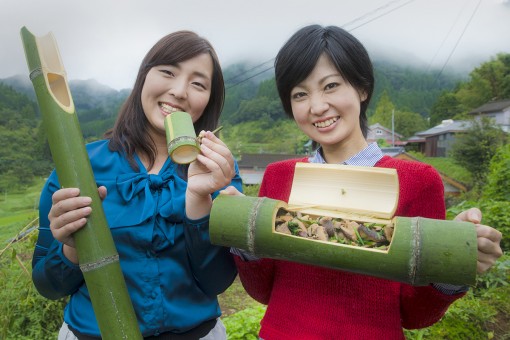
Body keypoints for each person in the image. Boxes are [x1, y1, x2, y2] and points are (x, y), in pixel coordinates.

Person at [229, 25, 503, 339]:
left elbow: (415, 314)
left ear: (362, 88)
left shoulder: (418, 181)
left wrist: (453, 262)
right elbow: (263, 290)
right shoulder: (279, 176)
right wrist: (242, 232)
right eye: (300, 94)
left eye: (330, 86)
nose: (317, 106)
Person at [32, 30, 242, 339]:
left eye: (198, 83)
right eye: (168, 72)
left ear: (209, 99)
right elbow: (48, 285)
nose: (180, 91)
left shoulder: (217, 169)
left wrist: (199, 198)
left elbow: (216, 281)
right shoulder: (78, 166)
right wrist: (72, 247)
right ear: (143, 77)